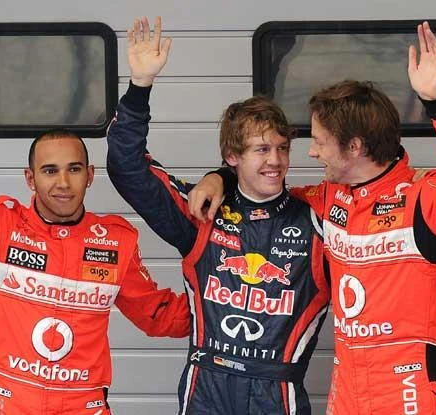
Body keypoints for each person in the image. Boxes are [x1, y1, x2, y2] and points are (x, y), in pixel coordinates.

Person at [191, 22, 436, 414]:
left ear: (354, 147)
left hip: (408, 387)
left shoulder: (425, 198)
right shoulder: (327, 198)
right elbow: (263, 188)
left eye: (319, 142)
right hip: (347, 387)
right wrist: (220, 175)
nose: (312, 153)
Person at [0, 65, 190, 415]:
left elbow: (158, 316)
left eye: (74, 169)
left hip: (85, 407)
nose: (63, 183)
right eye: (50, 171)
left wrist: (226, 305)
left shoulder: (115, 240)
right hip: (12, 405)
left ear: (89, 176)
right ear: (30, 179)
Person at [107, 16, 329, 415]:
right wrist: (140, 87)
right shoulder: (203, 209)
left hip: (277, 391)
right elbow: (127, 168)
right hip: (206, 387)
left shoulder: (315, 218)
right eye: (261, 150)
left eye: (282, 148)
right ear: (232, 157)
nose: (275, 160)